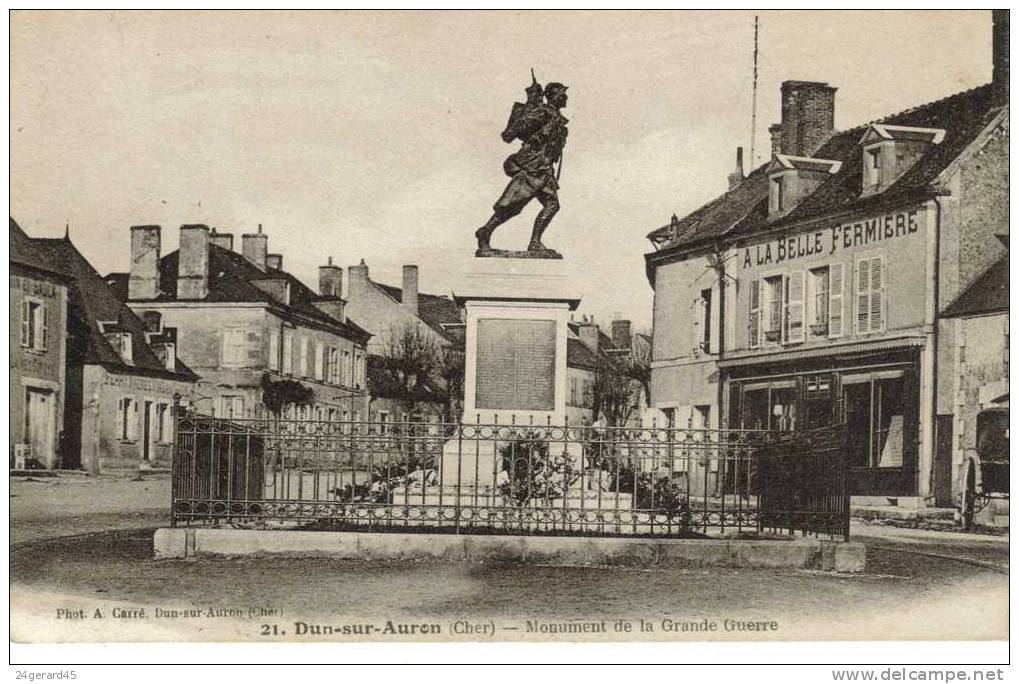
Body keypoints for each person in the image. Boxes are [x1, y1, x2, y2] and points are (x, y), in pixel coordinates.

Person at [475, 82, 569, 253]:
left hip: (544, 168)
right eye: (563, 94)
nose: (566, 98)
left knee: (552, 204)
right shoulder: (543, 113)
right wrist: (530, 104)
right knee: (513, 206)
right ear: (554, 96)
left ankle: (534, 242)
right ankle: (485, 232)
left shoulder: (555, 116)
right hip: (532, 167)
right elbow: (513, 133)